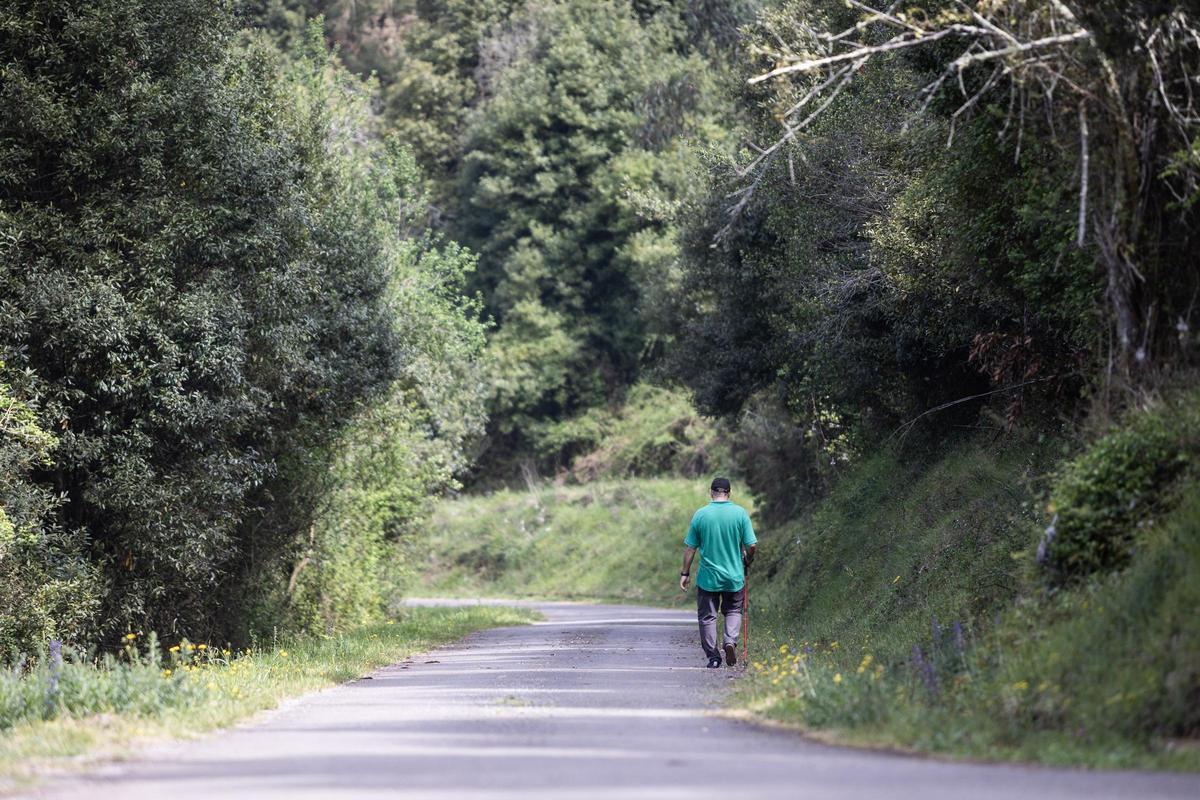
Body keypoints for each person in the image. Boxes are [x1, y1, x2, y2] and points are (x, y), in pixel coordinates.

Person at [679, 477, 757, 668]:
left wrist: (685, 573)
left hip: (708, 577)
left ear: (711, 492)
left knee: (707, 617)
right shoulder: (740, 514)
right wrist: (748, 558)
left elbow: (690, 548)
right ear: (728, 493)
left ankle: (713, 656)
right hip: (734, 576)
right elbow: (751, 544)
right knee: (733, 610)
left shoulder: (701, 515)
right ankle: (730, 641)